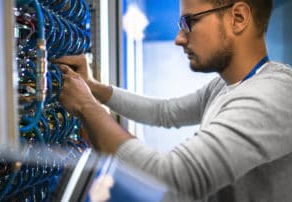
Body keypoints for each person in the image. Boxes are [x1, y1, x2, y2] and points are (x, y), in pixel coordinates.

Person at [56, 0, 292, 201]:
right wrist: (93, 88)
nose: (179, 39)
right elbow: (164, 112)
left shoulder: (274, 94)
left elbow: (171, 179)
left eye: (189, 23)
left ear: (238, 18)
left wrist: (86, 106)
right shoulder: (225, 86)